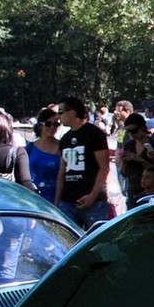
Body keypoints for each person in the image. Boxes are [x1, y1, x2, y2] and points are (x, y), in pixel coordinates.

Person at [53, 98, 112, 230]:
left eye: (61, 112)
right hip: (67, 202)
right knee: (68, 244)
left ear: (72, 113)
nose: (58, 116)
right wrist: (56, 203)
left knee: (98, 244)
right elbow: (62, 172)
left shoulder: (94, 133)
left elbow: (104, 168)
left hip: (94, 202)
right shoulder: (65, 138)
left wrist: (92, 196)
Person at [115, 112, 154, 207]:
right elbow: (123, 173)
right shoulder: (129, 145)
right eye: (128, 131)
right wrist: (123, 162)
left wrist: (140, 160)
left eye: (134, 131)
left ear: (142, 128)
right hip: (132, 190)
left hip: (149, 192)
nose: (132, 134)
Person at [25, 108, 62, 200]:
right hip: (33, 197)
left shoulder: (62, 147)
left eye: (56, 124)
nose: (52, 127)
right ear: (40, 125)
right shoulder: (30, 148)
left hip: (56, 198)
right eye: (49, 124)